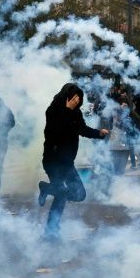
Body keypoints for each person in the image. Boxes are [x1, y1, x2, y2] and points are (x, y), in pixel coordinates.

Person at [38, 83, 109, 238]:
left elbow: (82, 129)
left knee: (79, 194)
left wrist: (99, 133)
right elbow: (54, 133)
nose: (77, 101)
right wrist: (67, 111)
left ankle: (46, 188)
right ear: (66, 96)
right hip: (53, 161)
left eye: (79, 98)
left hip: (67, 163)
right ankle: (51, 231)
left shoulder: (75, 114)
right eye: (74, 98)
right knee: (61, 195)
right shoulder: (53, 111)